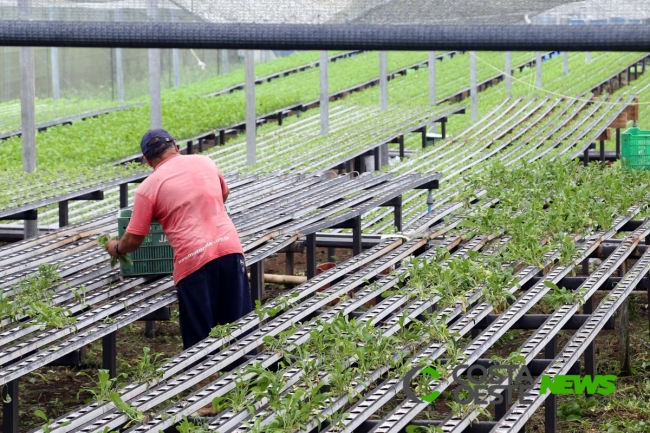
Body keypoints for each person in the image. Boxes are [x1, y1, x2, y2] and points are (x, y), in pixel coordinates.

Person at [105, 128, 253, 352]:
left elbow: (134, 238)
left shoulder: (148, 188)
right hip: (229, 248)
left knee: (200, 340)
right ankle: (248, 378)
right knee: (240, 328)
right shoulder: (205, 162)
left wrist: (116, 247)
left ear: (147, 160)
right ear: (176, 145)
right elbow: (222, 195)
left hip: (194, 260)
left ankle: (203, 381)